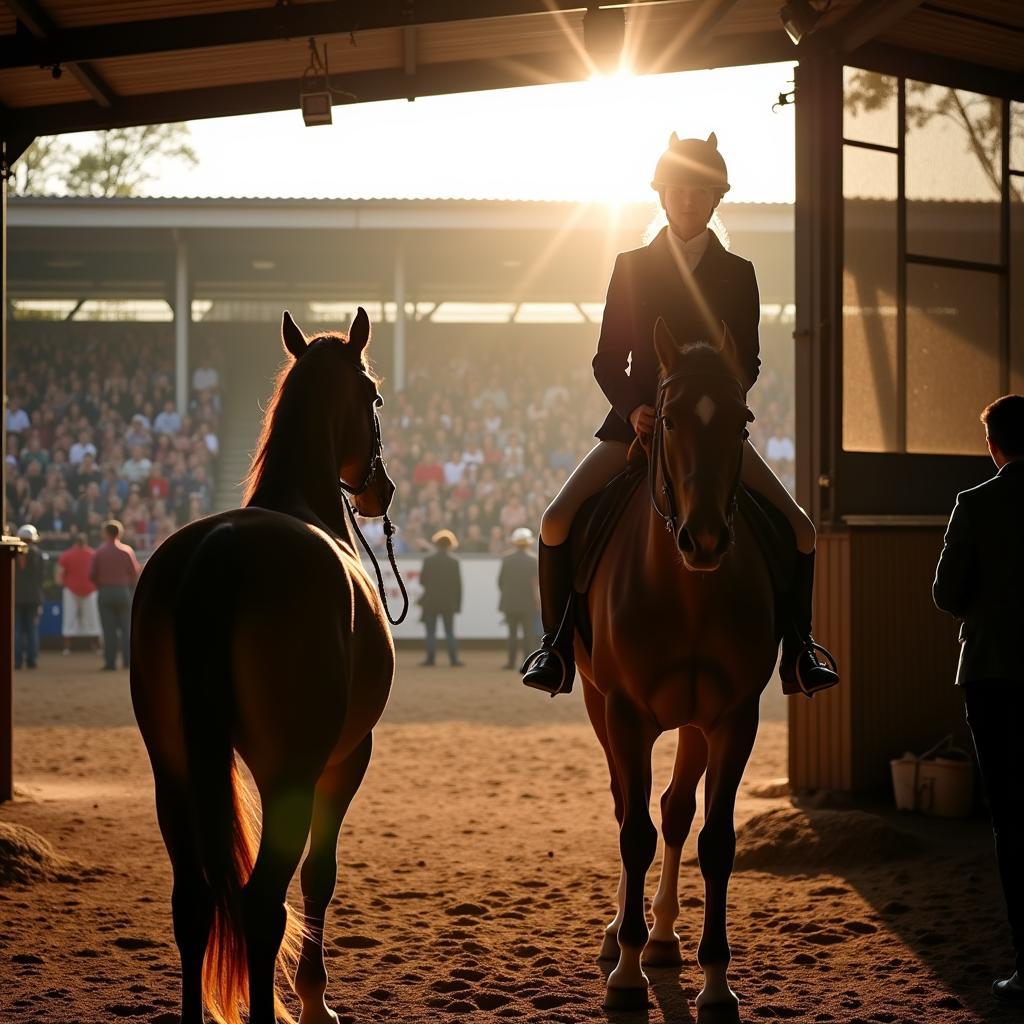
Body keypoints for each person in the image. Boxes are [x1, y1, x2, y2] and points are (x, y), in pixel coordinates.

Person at [521, 132, 839, 697]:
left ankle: (799, 648)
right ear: (663, 196)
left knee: (801, 529)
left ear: (716, 198)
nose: (687, 199)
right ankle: (555, 646)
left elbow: (751, 360)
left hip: (711, 435)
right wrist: (636, 408)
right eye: (677, 189)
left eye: (699, 190)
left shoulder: (739, 273)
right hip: (638, 428)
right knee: (555, 520)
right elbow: (605, 359)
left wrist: (716, 408)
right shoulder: (632, 266)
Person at [933, 394, 1024, 1007]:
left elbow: (945, 594)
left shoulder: (975, 504)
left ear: (993, 447)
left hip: (993, 676)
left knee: (1013, 823)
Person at [90, 519, 141, 671]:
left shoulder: (99, 552)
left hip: (105, 591)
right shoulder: (127, 551)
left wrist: (101, 585)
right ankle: (127, 661)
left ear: (106, 534)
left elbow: (92, 574)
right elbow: (134, 573)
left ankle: (110, 662)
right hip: (123, 591)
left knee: (109, 630)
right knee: (127, 629)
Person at [418, 529, 463, 667]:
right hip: (448, 602)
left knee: (430, 632)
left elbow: (422, 581)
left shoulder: (428, 560)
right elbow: (458, 585)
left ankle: (430, 660)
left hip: (430, 601)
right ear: (450, 544)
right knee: (450, 632)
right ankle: (454, 660)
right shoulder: (454, 562)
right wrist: (458, 604)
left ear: (436, 544)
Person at [498, 527, 539, 670]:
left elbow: (501, 582)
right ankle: (527, 665)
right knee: (528, 634)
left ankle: (510, 663)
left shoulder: (507, 559)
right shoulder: (533, 560)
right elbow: (536, 584)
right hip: (528, 604)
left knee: (512, 634)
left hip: (510, 603)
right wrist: (538, 602)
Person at [56, 534, 100, 655]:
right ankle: (95, 647)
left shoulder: (68, 553)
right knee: (92, 619)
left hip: (73, 589)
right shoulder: (92, 553)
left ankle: (68, 648)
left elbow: (59, 575)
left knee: (71, 619)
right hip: (87, 589)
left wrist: (61, 584)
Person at [13, 524, 44, 670]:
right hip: (33, 598)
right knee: (32, 629)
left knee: (16, 629)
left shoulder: (13, 554)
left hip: (15, 597)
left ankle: (17, 660)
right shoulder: (38, 554)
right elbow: (40, 578)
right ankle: (32, 660)